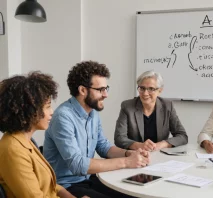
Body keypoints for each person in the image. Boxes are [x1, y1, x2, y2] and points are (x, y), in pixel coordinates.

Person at [44, 61, 150, 198]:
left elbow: (103, 147)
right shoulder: (63, 117)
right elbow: (78, 165)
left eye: (106, 88)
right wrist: (126, 162)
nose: (106, 94)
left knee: (135, 194)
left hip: (90, 179)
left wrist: (130, 154)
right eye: (100, 90)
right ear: (83, 90)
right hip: (66, 186)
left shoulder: (92, 112)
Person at [0, 72, 75, 198]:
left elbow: (51, 186)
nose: (51, 112)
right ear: (28, 110)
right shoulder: (13, 150)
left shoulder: (26, 140)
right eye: (47, 107)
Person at [114, 70, 188, 151]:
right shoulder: (128, 106)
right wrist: (140, 146)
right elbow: (119, 138)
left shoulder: (167, 106)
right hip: (135, 156)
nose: (145, 93)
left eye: (151, 89)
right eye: (142, 88)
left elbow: (182, 136)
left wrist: (162, 144)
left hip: (160, 155)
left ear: (159, 91)